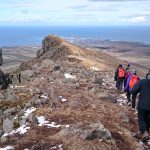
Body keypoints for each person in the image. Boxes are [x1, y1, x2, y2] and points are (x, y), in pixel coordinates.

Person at [131, 73, 150, 141]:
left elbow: (133, 91)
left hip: (143, 105)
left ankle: (144, 133)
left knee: (141, 119)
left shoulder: (143, 81)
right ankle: (143, 134)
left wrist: (133, 104)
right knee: (147, 121)